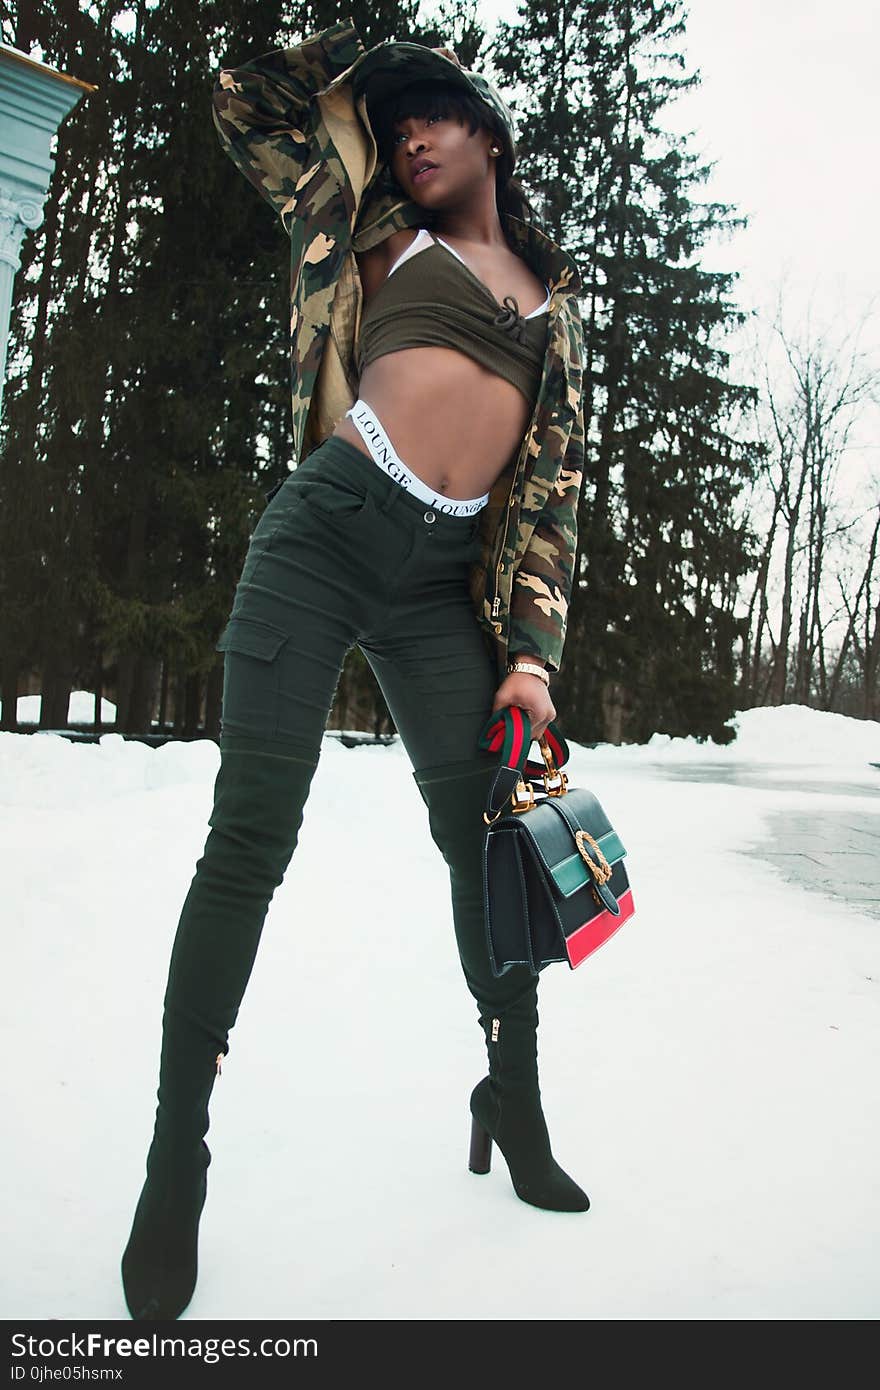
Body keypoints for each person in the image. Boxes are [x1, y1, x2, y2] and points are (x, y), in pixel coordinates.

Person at [120, 19, 588, 1322]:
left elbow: (549, 497)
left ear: (490, 132)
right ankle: (177, 1159)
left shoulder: (557, 301)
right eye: (395, 125)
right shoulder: (367, 217)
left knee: (487, 840)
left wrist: (534, 659)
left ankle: (514, 1089)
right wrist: (387, 53)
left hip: (449, 586)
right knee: (249, 834)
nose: (411, 139)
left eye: (434, 115)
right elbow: (245, 96)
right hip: (327, 529)